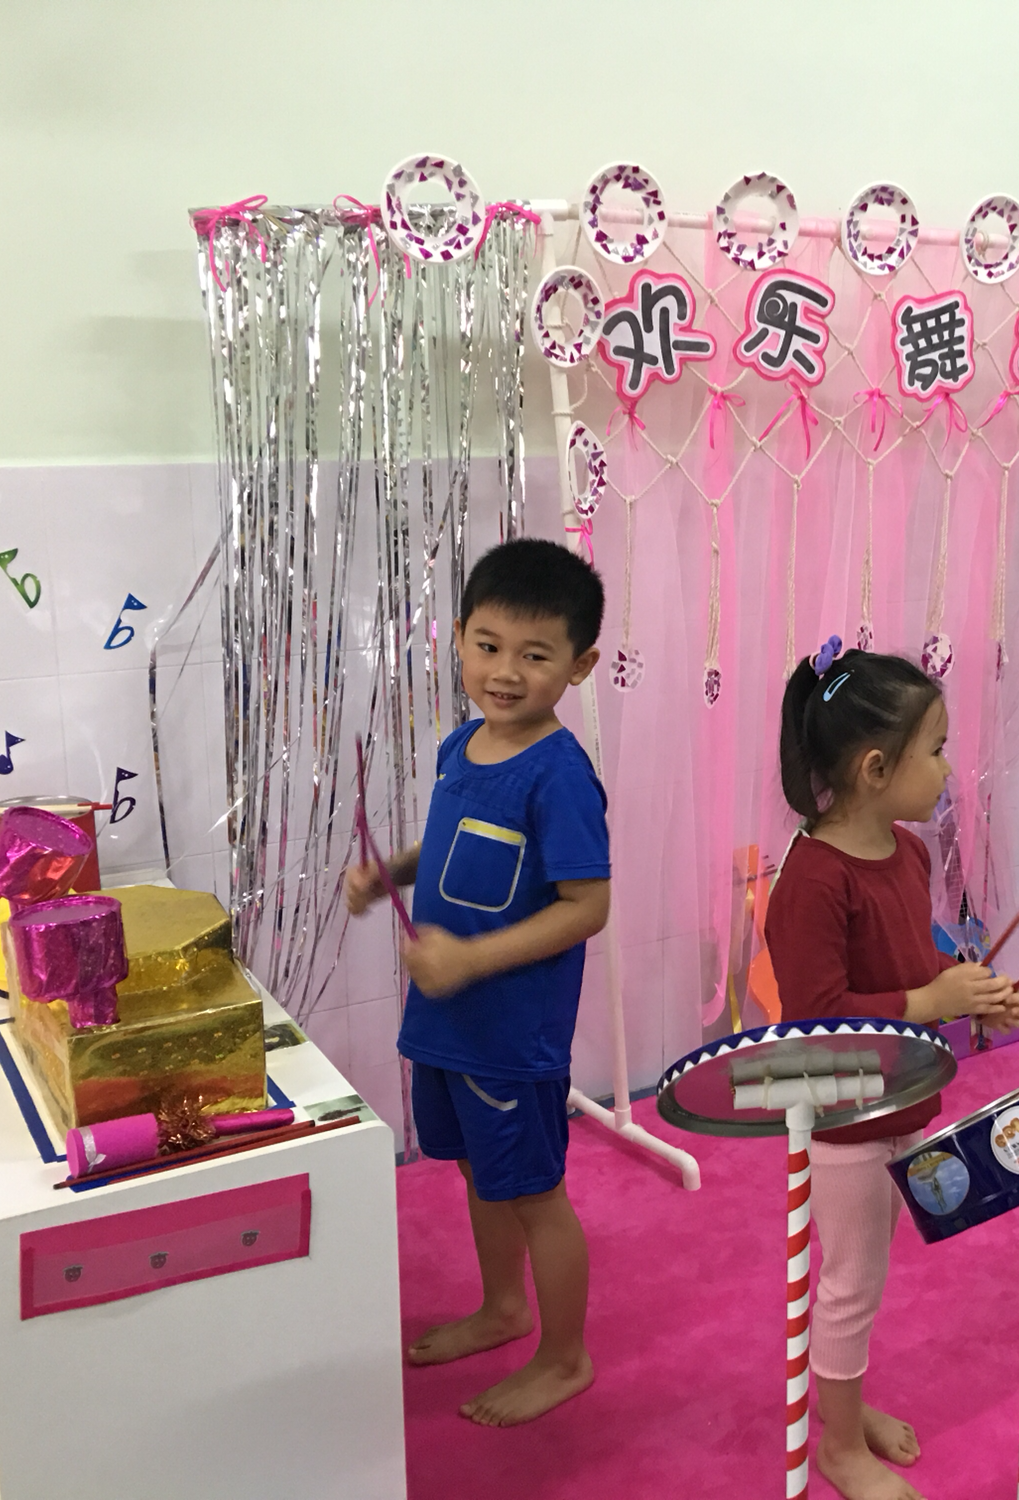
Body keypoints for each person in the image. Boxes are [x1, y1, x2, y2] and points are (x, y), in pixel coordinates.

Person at [346, 538, 610, 1425]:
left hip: (510, 1034)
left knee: (535, 1193)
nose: (505, 672)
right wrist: (393, 869)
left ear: (579, 666)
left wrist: (469, 961)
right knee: (474, 1169)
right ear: (457, 637)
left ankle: (565, 1358)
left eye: (535, 656)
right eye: (488, 646)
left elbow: (587, 907)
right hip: (446, 1023)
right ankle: (503, 1308)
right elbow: (456, 842)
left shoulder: (561, 776)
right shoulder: (465, 746)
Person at [764, 640, 1019, 1500]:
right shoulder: (812, 880)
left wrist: (973, 994)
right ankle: (839, 1448)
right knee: (849, 1284)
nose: (950, 768)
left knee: (864, 1275)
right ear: (876, 768)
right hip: (842, 1117)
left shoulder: (908, 854)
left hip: (903, 1097)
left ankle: (843, 1407)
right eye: (938, 749)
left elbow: (916, 968)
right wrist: (929, 999)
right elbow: (815, 1018)